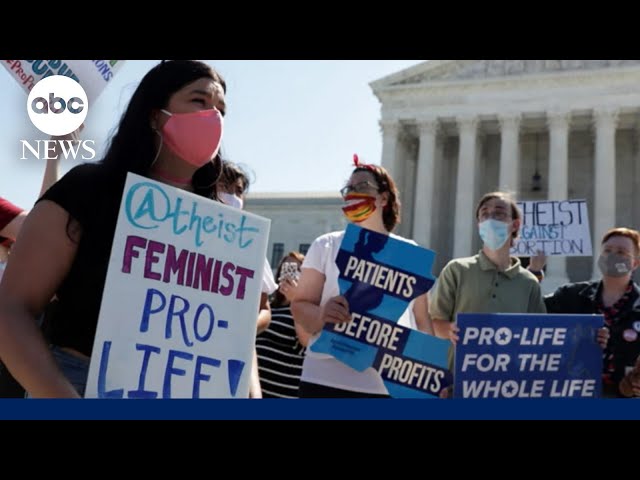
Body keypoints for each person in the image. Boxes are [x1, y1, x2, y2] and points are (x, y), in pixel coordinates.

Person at [0, 60, 229, 398]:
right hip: (76, 386)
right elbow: (11, 309)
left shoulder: (221, 225)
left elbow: (231, 329)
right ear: (155, 115)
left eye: (222, 110)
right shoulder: (86, 191)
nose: (214, 117)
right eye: (199, 100)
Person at [291, 158, 434, 398]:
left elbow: (422, 322)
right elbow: (300, 305)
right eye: (349, 189)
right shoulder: (326, 245)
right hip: (324, 379)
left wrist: (427, 375)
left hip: (386, 385)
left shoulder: (410, 253)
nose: (353, 193)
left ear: (384, 198)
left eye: (362, 186)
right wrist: (322, 314)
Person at [430, 191, 547, 346]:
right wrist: (449, 330)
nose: (491, 219)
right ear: (479, 225)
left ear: (515, 225)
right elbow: (433, 322)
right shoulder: (456, 270)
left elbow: (539, 333)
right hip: (460, 361)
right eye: (484, 214)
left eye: (499, 213)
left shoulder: (529, 282)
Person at [544, 227, 640, 398]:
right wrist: (535, 271)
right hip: (572, 396)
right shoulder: (570, 296)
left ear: (635, 263)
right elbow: (531, 315)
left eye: (621, 252)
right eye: (607, 251)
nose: (612, 256)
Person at [215, 160, 276, 399]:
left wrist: (245, 327)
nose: (232, 196)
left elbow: (265, 310)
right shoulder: (181, 232)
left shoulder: (252, 244)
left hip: (237, 354)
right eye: (224, 187)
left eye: (238, 191)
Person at [256, 251, 308, 398]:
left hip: (283, 392)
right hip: (258, 388)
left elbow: (305, 341)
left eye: (296, 269)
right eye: (286, 267)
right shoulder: (269, 307)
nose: (290, 273)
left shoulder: (306, 309)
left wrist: (296, 300)